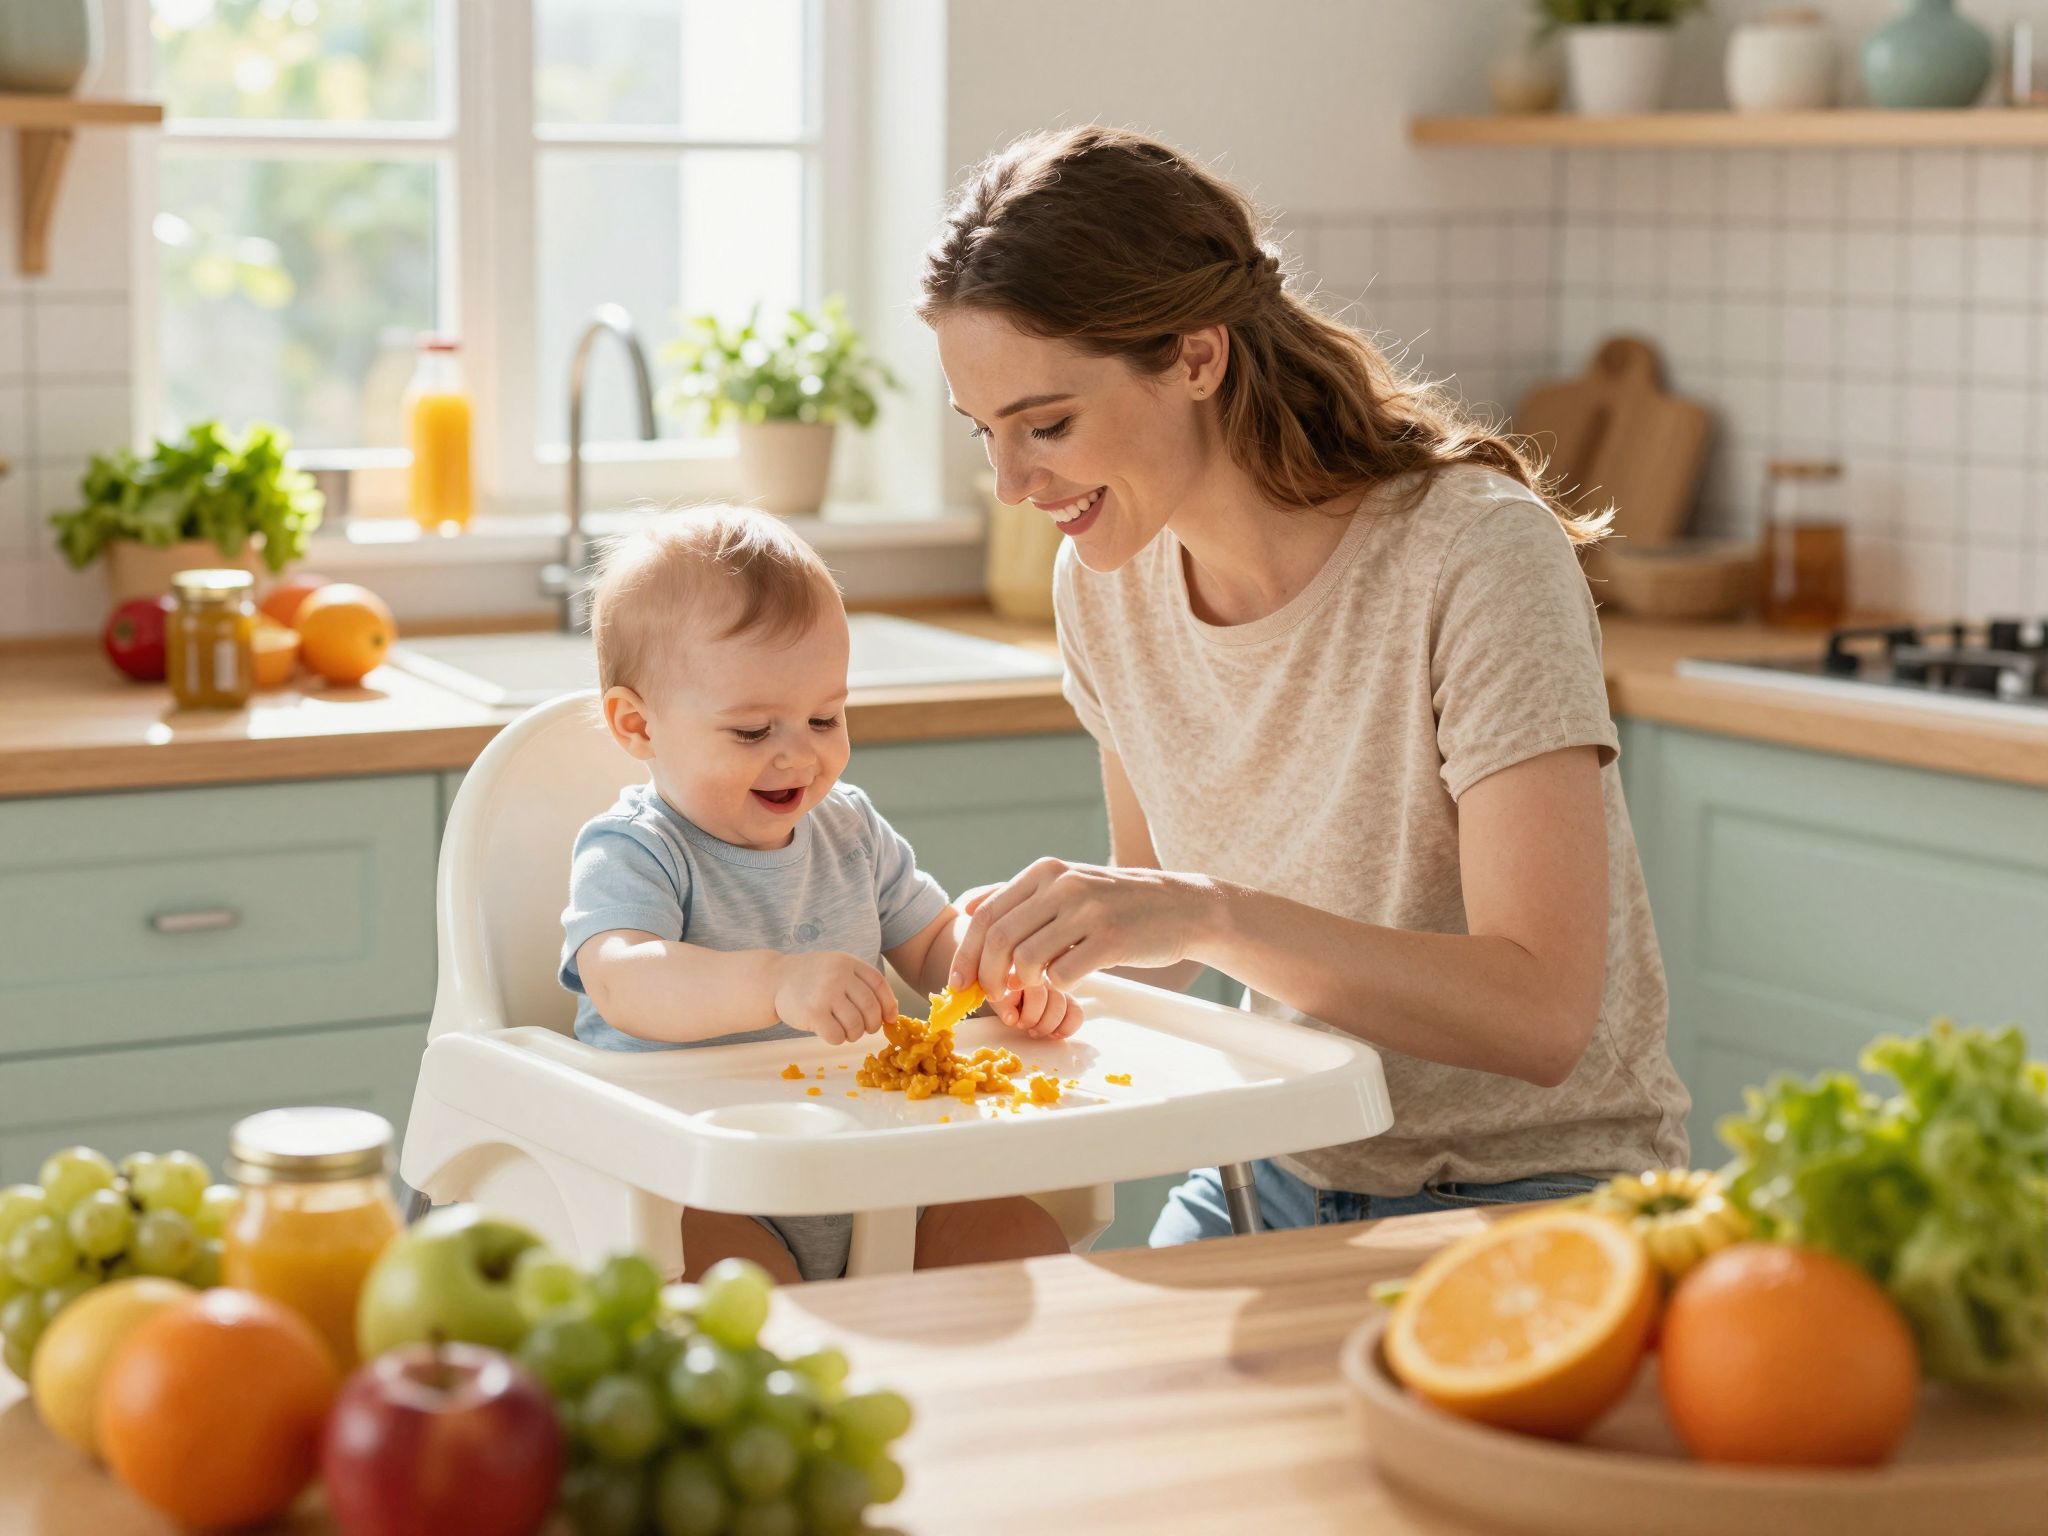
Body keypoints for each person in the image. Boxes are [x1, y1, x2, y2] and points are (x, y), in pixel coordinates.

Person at [921, 126, 1690, 1240]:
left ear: (1194, 356)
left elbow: (1539, 1012)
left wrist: (1200, 913)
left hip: (1532, 1193)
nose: (1008, 483)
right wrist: (1049, 956)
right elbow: (1166, 932)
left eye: (1045, 426)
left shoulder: (1470, 556)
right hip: (1272, 1174)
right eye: (983, 434)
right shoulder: (1105, 583)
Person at [559, 505, 1079, 1281]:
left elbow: (931, 944)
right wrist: (776, 983)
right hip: (700, 1180)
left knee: (1025, 1243)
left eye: (824, 716)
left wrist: (995, 964)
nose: (798, 755)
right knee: (753, 1306)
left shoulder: (849, 830)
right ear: (637, 726)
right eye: (751, 732)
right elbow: (624, 979)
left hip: (872, 1157)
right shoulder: (637, 849)